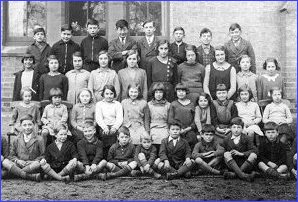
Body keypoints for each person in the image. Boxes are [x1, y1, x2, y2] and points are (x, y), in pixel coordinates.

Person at [3, 115, 44, 181]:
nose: (27, 127)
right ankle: (30, 176)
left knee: (37, 164)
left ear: (34, 125)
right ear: (21, 126)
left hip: (31, 165)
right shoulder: (16, 139)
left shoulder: (39, 139)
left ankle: (14, 173)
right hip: (18, 164)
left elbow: (43, 155)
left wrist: (33, 161)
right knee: (5, 162)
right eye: (24, 125)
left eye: (30, 124)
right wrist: (18, 161)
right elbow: (11, 155)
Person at [222, 117, 257, 182]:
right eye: (234, 127)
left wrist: (241, 153)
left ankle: (234, 174)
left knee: (253, 155)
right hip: (232, 164)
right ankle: (244, 176)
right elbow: (223, 151)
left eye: (238, 127)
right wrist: (229, 153)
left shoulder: (247, 138)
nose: (236, 130)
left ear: (242, 128)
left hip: (244, 163)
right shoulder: (226, 139)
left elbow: (254, 150)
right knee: (226, 154)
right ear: (230, 128)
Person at [96, 85, 123, 158]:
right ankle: (105, 157)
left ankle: (114, 157)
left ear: (114, 94)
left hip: (114, 126)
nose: (109, 96)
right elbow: (99, 118)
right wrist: (104, 127)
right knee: (104, 135)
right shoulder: (99, 104)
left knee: (116, 136)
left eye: (111, 94)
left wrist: (115, 127)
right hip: (103, 126)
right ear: (103, 94)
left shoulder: (117, 104)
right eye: (107, 94)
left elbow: (119, 118)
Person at [168, 83, 197, 150]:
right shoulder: (173, 104)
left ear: (186, 92)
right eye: (179, 91)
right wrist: (179, 129)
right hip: (177, 129)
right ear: (176, 92)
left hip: (189, 130)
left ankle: (191, 157)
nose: (181, 93)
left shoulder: (191, 104)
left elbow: (194, 120)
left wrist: (187, 129)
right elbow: (170, 119)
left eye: (183, 91)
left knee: (192, 138)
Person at [148, 83, 170, 152]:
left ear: (163, 93)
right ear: (153, 93)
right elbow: (147, 120)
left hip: (164, 127)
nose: (158, 94)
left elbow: (169, 120)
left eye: (160, 92)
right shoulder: (149, 105)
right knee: (152, 139)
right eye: (156, 92)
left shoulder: (168, 105)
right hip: (153, 127)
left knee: (165, 140)